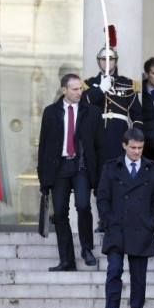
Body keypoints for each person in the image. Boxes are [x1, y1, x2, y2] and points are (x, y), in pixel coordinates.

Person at [97, 128, 154, 308]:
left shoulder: (151, 168)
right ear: (124, 145)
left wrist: (151, 222)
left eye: (140, 148)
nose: (137, 152)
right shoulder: (111, 168)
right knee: (114, 272)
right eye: (133, 147)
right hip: (117, 228)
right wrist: (107, 220)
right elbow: (102, 197)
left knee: (138, 278)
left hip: (141, 229)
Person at [38, 73, 105, 271]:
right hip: (59, 168)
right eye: (75, 89)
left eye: (81, 89)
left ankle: (87, 249)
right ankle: (66, 260)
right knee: (60, 213)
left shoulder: (91, 112)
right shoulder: (50, 112)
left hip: (81, 166)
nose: (79, 93)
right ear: (64, 90)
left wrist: (99, 176)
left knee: (83, 205)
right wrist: (43, 178)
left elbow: (99, 146)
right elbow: (44, 146)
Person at [82, 25, 143, 163]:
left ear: (116, 61)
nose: (107, 63)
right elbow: (83, 104)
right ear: (98, 61)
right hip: (96, 135)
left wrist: (135, 138)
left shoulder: (128, 84)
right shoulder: (89, 84)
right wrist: (100, 90)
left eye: (111, 59)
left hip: (119, 135)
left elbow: (137, 116)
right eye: (104, 59)